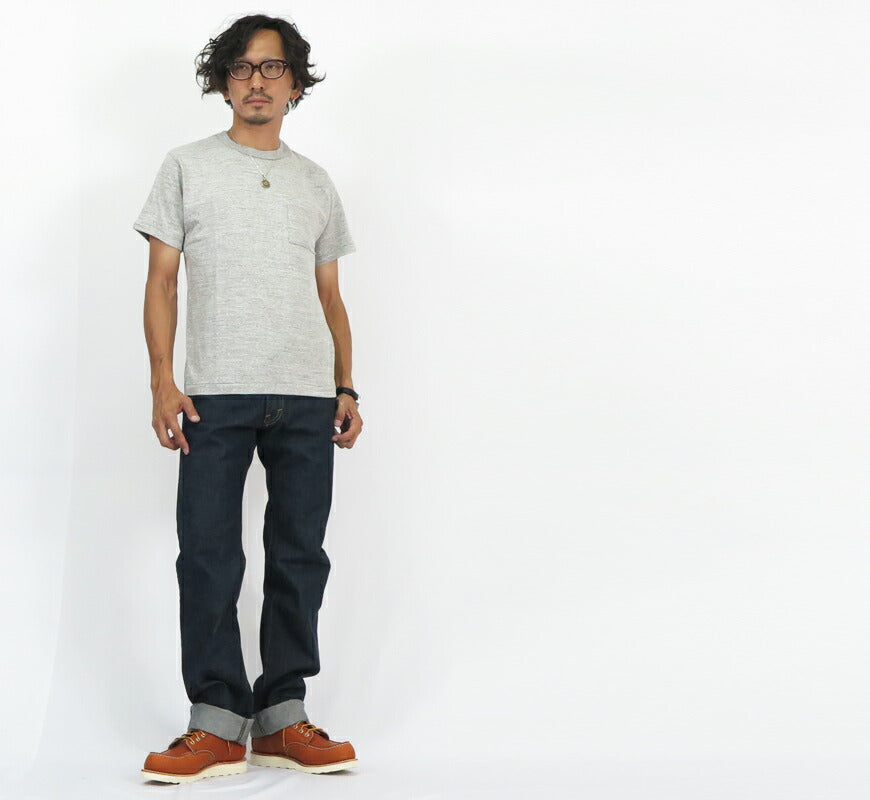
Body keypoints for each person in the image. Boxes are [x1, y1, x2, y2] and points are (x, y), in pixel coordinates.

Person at [133, 13, 362, 784]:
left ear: (295, 84)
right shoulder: (186, 166)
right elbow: (161, 281)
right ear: (222, 81)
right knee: (207, 555)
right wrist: (163, 380)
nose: (256, 81)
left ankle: (282, 716)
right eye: (241, 67)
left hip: (307, 395)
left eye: (272, 68)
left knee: (299, 556)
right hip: (214, 395)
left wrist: (345, 385)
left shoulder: (315, 182)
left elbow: (331, 296)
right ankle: (216, 722)